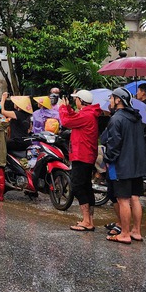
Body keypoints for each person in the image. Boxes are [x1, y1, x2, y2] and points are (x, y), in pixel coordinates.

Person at [101, 87, 146, 244]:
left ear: (118, 100)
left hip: (122, 165)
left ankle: (125, 234)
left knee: (123, 200)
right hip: (137, 165)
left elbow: (114, 144)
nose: (110, 101)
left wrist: (107, 159)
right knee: (135, 199)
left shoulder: (117, 119)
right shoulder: (136, 117)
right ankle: (136, 231)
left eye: (111, 98)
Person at [58, 90, 102, 232]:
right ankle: (89, 220)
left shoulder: (86, 115)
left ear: (81, 101)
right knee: (86, 186)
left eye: (76, 99)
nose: (74, 101)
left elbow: (66, 121)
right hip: (86, 155)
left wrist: (62, 108)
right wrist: (69, 108)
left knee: (77, 186)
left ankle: (87, 221)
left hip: (82, 155)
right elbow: (74, 117)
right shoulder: (88, 113)